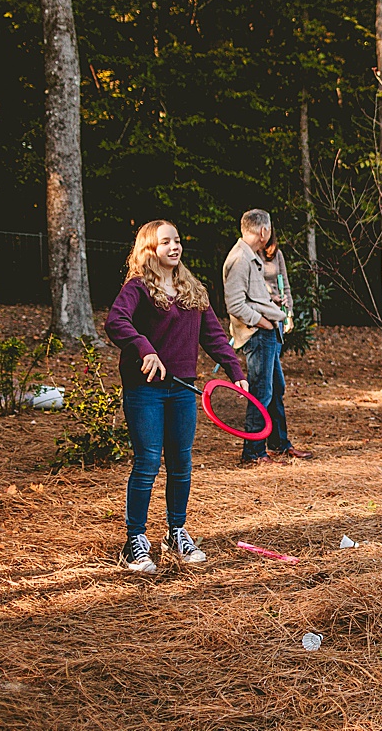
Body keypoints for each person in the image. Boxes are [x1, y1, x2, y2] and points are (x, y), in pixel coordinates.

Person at [106, 219, 246, 573]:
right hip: (145, 391)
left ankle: (176, 532)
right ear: (149, 248)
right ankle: (135, 541)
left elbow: (214, 336)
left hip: (182, 390)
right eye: (166, 241)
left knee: (181, 464)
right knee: (148, 462)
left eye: (178, 241)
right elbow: (116, 321)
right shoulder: (137, 288)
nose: (174, 246)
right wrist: (144, 347)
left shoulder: (192, 289)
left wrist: (236, 373)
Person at [224, 209, 311, 465]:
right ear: (263, 231)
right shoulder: (240, 259)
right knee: (261, 392)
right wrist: (262, 322)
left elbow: (253, 296)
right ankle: (253, 454)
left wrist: (273, 305)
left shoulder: (250, 257)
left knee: (275, 389)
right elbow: (235, 304)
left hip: (268, 332)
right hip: (259, 334)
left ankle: (278, 444)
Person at [259, 227, 294, 334]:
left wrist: (289, 314)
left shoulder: (277, 254)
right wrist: (271, 298)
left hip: (278, 314)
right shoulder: (249, 255)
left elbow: (285, 285)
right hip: (260, 316)